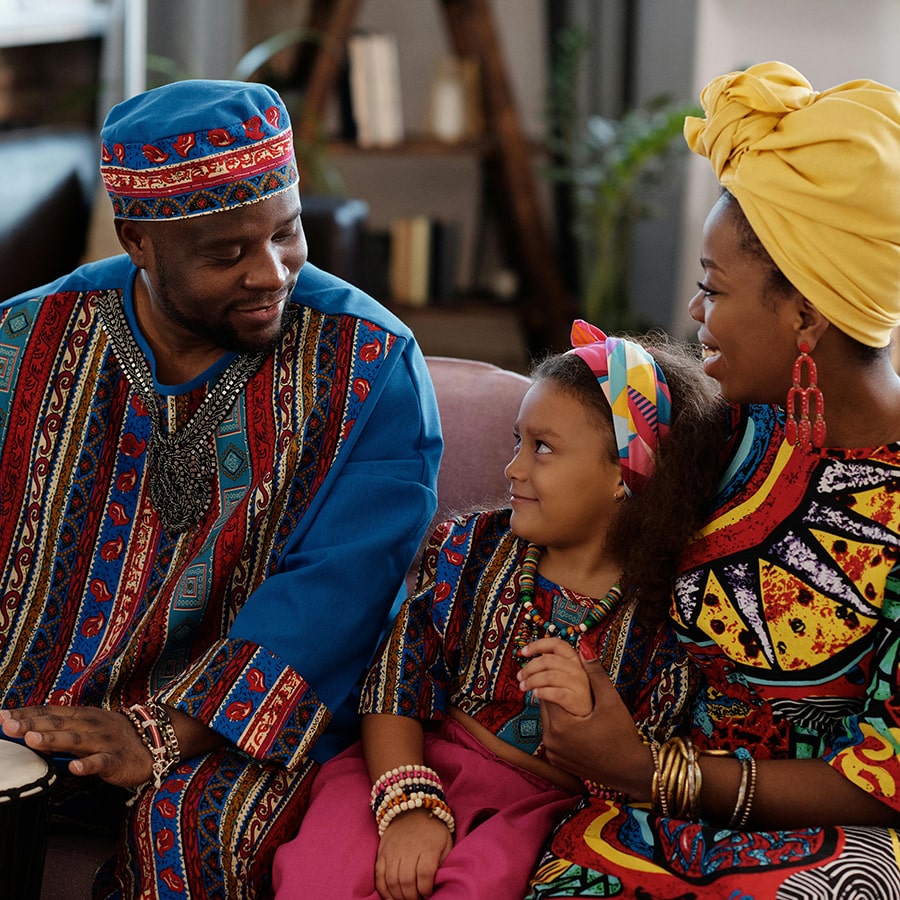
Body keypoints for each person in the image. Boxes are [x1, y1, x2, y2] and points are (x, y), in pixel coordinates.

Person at [0, 79, 442, 898]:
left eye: (287, 232)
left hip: (242, 727)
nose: (270, 272)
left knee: (195, 833)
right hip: (27, 701)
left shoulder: (369, 363)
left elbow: (343, 587)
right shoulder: (22, 343)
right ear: (139, 242)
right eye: (226, 253)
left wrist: (173, 730)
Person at [523, 60, 900, 899]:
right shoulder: (711, 421)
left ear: (806, 314)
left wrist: (652, 770)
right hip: (642, 815)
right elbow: (561, 453)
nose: (695, 315)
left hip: (831, 846)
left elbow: (886, 778)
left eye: (711, 287)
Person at [271, 320, 727, 899]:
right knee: (322, 875)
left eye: (542, 448)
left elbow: (648, 767)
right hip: (414, 766)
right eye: (517, 441)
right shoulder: (470, 553)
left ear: (623, 472)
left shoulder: (666, 613)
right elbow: (393, 687)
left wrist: (589, 716)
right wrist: (408, 803)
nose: (513, 468)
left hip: (539, 813)